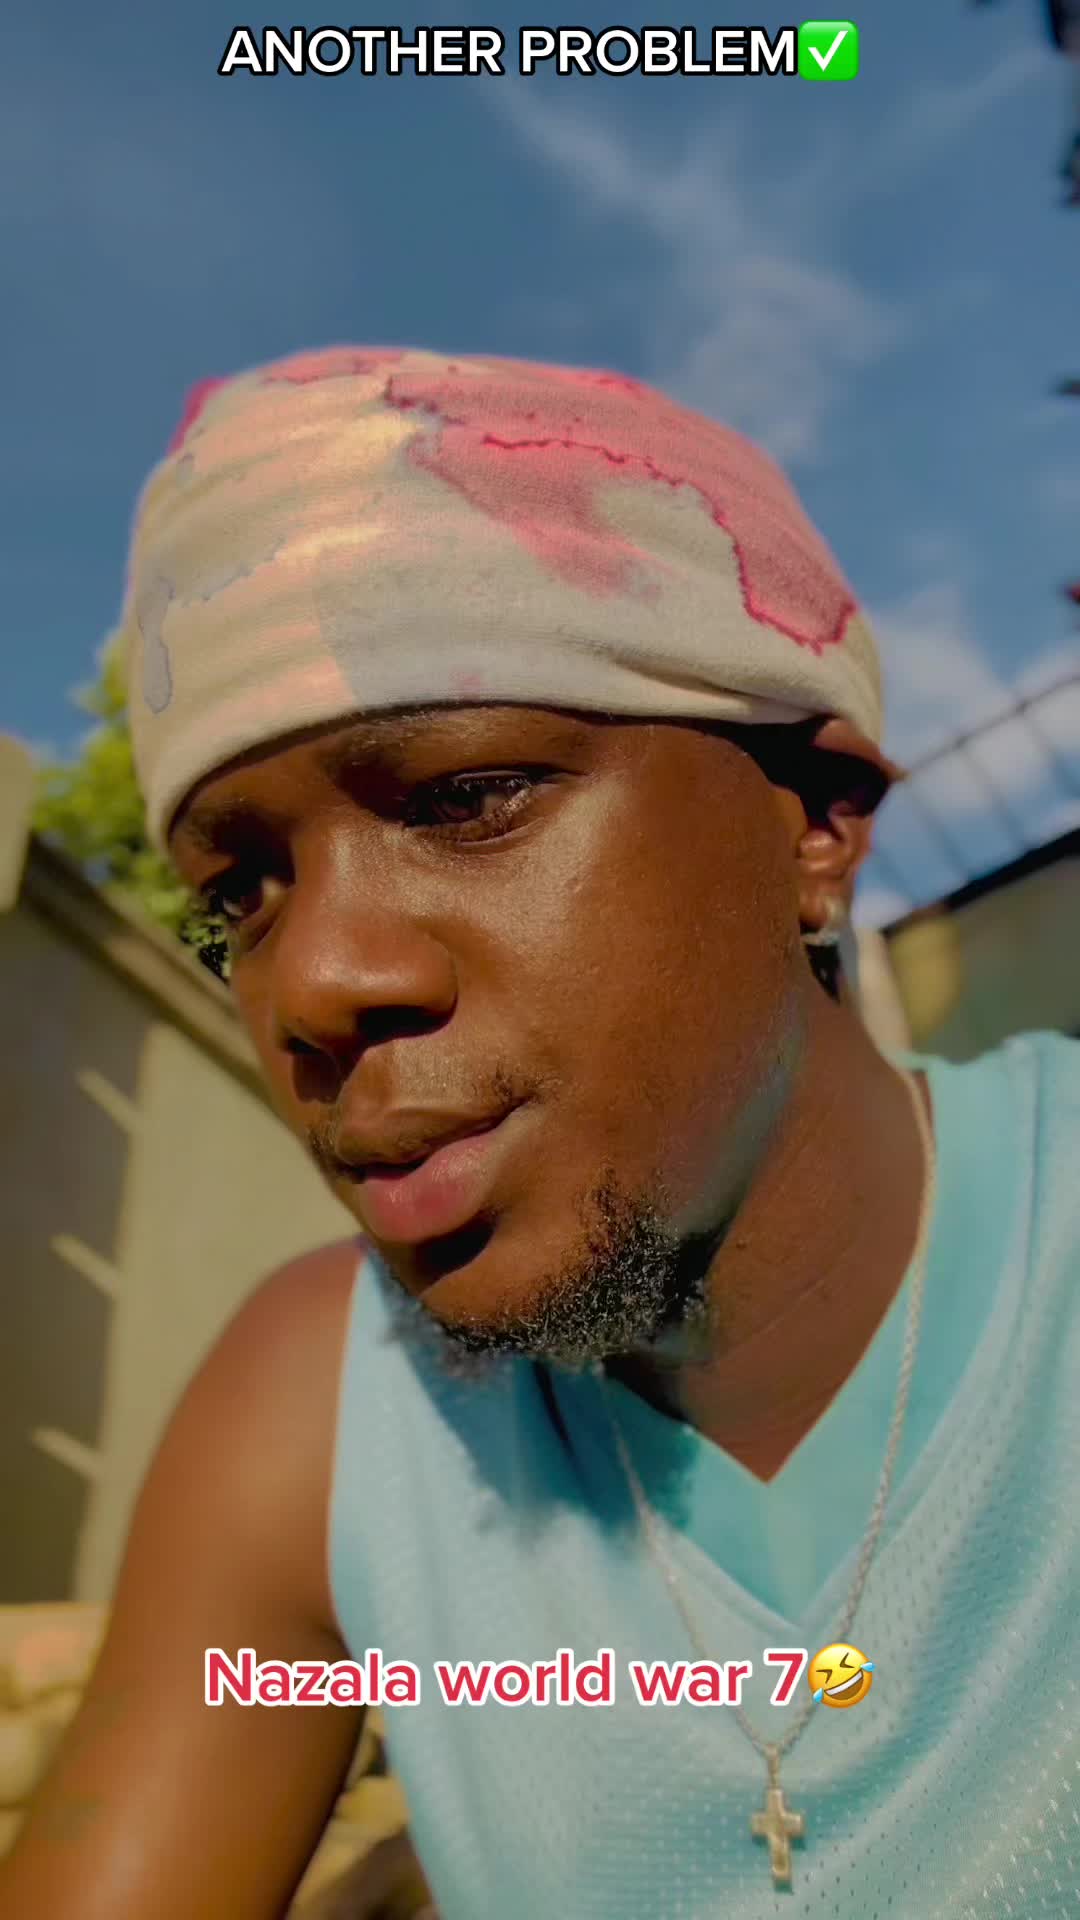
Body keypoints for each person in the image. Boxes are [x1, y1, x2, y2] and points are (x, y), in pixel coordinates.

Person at [2, 346, 1078, 1920]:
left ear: (814, 823)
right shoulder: (324, 1410)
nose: (312, 982)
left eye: (467, 798)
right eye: (240, 895)